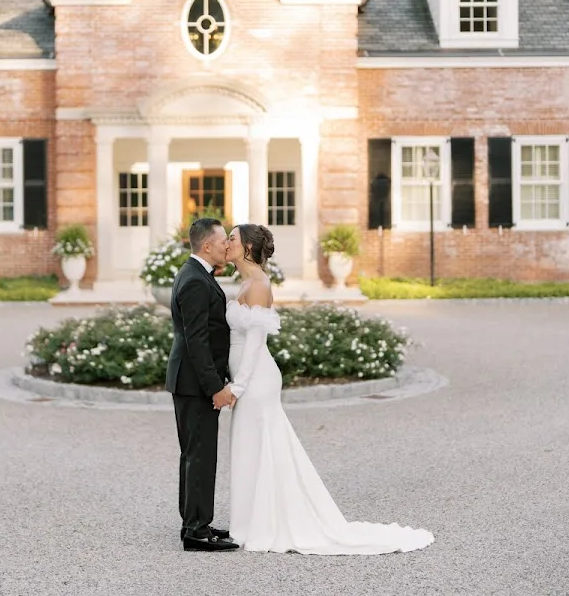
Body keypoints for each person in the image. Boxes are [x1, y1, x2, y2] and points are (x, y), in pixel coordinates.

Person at [223, 223, 435, 555]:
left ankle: (260, 527)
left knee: (257, 447)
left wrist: (237, 386)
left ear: (247, 248)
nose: (226, 242)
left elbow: (255, 341)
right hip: (246, 378)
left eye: (232, 238)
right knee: (251, 448)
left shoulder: (260, 284)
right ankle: (250, 522)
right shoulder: (245, 281)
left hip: (257, 379)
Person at [165, 217, 240, 551]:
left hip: (189, 382)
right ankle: (196, 531)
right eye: (223, 240)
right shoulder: (195, 280)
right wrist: (216, 387)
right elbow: (196, 341)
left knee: (195, 454)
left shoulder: (195, 274)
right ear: (207, 245)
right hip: (195, 384)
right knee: (199, 455)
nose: (227, 245)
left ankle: (195, 523)